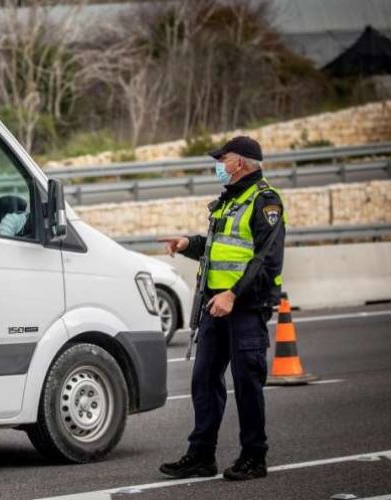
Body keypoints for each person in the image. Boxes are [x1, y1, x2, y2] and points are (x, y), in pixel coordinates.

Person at [158, 136, 286, 481]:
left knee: (246, 384)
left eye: (223, 158)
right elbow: (218, 249)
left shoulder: (265, 201)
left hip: (244, 307)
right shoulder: (229, 202)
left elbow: (265, 259)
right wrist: (188, 244)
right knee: (203, 380)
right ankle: (201, 455)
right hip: (216, 305)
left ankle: (254, 457)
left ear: (241, 162)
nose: (218, 164)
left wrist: (233, 294)